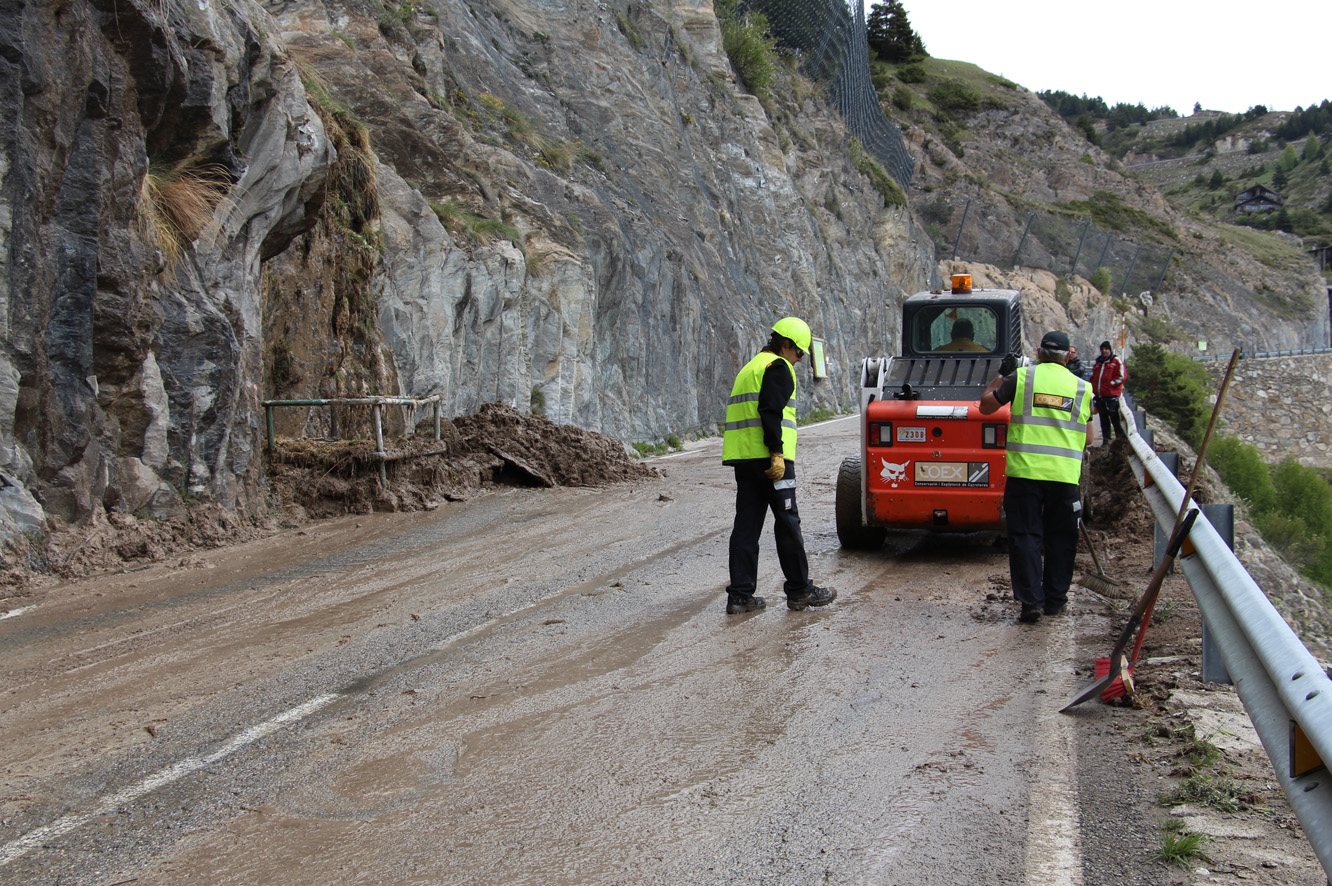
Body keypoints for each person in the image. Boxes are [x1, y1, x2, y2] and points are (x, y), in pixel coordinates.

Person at [721, 317, 836, 615]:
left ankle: (740, 597)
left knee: (746, 527)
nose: (799, 360)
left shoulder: (750, 367)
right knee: (787, 522)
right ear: (785, 346)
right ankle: (800, 591)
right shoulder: (778, 367)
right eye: (799, 353)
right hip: (772, 460)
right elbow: (770, 411)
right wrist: (776, 452)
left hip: (745, 459)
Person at [978, 330, 1092, 623]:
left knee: (1026, 538)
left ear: (1039, 353)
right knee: (1062, 539)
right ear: (1068, 356)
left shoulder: (1023, 378)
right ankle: (1055, 600)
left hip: (1025, 474)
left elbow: (986, 406)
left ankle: (1031, 601)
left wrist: (1003, 375)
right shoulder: (1082, 388)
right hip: (1064, 477)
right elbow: (1090, 438)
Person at [1090, 340, 1125, 445]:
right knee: (1103, 420)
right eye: (1102, 349)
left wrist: (1111, 384)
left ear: (1110, 350)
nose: (1104, 351)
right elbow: (1094, 378)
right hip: (1100, 397)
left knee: (1115, 420)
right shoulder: (1098, 363)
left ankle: (1120, 442)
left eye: (1106, 349)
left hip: (1112, 396)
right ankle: (1106, 441)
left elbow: (1122, 376)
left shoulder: (1116, 361)